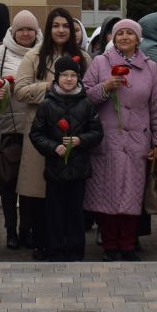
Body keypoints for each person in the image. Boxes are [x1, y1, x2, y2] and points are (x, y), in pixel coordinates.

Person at [82, 19, 157, 261]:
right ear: (112, 38)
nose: (125, 37)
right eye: (120, 34)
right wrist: (105, 87)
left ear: (138, 39)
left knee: (131, 197)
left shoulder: (150, 67)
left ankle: (128, 245)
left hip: (137, 142)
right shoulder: (100, 63)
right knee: (107, 196)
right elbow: (85, 97)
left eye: (131, 33)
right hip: (107, 141)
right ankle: (109, 246)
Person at [12, 7, 86, 260]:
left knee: (70, 194)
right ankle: (43, 242)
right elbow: (20, 90)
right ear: (48, 29)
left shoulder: (83, 57)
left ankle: (70, 243)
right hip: (41, 131)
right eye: (55, 26)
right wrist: (51, 87)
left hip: (74, 133)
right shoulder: (35, 56)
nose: (61, 30)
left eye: (65, 25)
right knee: (41, 192)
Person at [29, 55, 102, 261]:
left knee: (76, 213)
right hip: (54, 170)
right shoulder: (47, 104)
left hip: (79, 169)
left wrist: (80, 140)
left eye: (73, 75)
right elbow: (36, 134)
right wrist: (53, 148)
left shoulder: (87, 103)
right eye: (64, 75)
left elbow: (97, 133)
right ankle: (55, 251)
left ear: (78, 78)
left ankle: (76, 251)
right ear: (56, 78)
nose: (69, 79)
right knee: (55, 213)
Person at [0, 10, 38, 252]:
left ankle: (27, 228)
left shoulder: (42, 53)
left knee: (29, 184)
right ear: (13, 32)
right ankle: (10, 229)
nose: (25, 34)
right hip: (8, 127)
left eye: (30, 29)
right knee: (7, 181)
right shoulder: (0, 53)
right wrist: (5, 87)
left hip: (36, 126)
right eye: (21, 30)